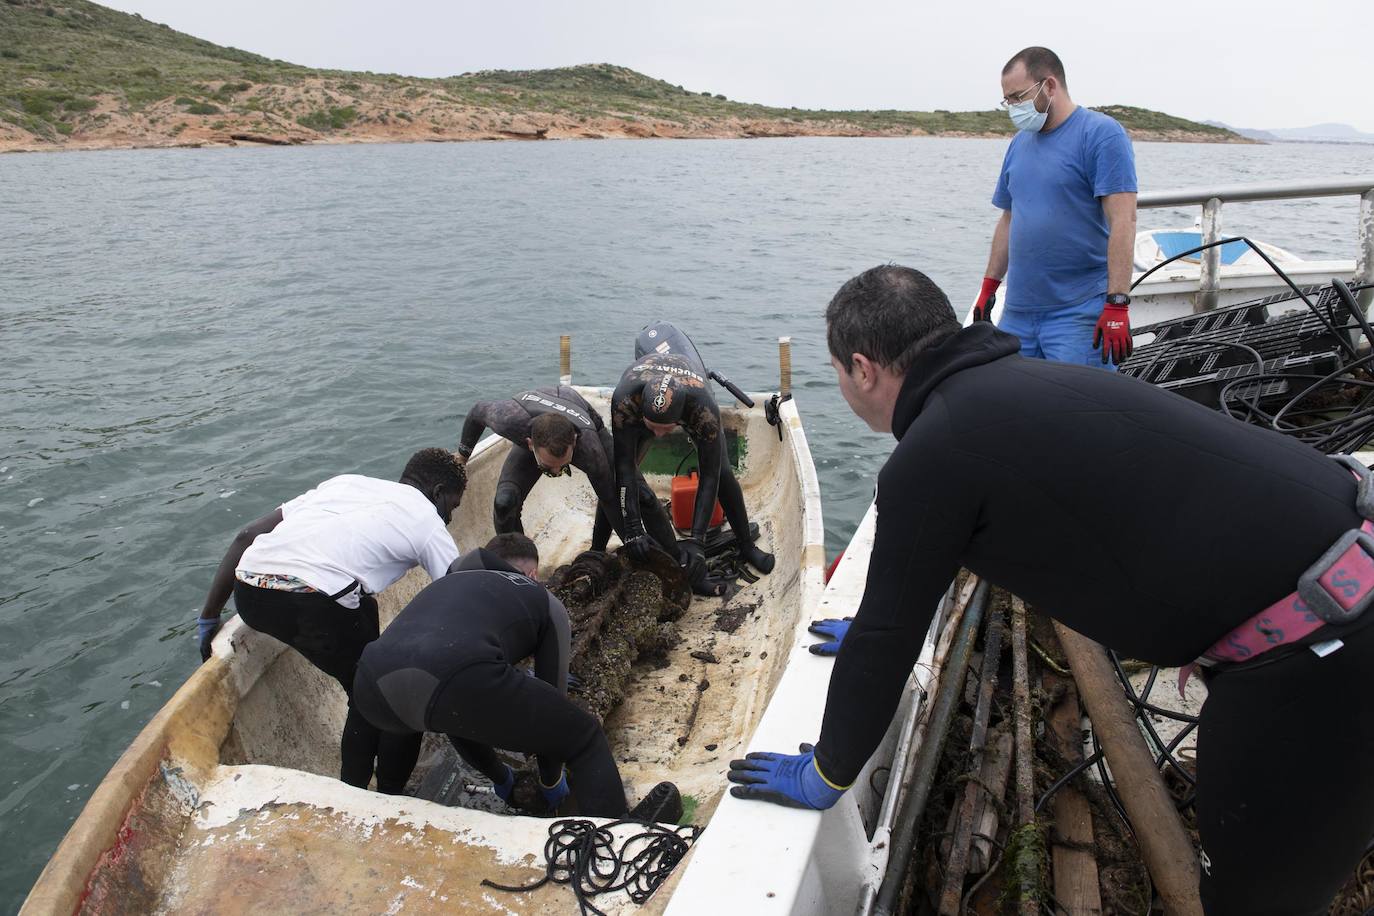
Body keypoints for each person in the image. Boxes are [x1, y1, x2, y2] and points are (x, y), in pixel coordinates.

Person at [727, 265, 1374, 915]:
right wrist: (892, 617)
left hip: (1323, 650)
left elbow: (882, 641)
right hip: (1344, 556)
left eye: (837, 372)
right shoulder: (1022, 386)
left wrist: (829, 771)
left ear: (863, 368)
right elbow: (941, 560)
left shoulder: (934, 453)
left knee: (1252, 899)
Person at [352, 533, 679, 821]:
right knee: (584, 737)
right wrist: (551, 780)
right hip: (456, 677)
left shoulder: (443, 586)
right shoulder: (543, 601)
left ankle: (383, 811)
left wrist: (501, 777)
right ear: (533, 575)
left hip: (370, 682)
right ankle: (622, 840)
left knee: (402, 760)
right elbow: (553, 707)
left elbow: (453, 714)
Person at [196, 447, 465, 794]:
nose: (451, 519)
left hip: (250, 590)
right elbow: (460, 594)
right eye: (452, 508)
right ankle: (373, 794)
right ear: (438, 493)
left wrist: (208, 617)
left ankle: (360, 776)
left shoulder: (347, 483)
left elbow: (245, 537)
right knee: (389, 698)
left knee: (364, 619)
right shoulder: (428, 522)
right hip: (311, 604)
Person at [972, 46, 1138, 368]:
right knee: (1018, 410)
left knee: (1080, 412)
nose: (1013, 108)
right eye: (1008, 100)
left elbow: (1124, 220)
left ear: (1050, 86)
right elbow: (1009, 218)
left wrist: (1117, 304)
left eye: (1018, 97)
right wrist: (988, 286)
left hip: (1077, 313)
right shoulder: (1019, 143)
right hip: (1018, 313)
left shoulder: (1101, 134)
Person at [610, 323, 774, 595]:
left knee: (721, 472)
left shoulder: (703, 409)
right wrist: (633, 529)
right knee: (620, 472)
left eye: (666, 429)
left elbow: (709, 477)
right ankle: (602, 544)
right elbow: (624, 469)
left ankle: (746, 545)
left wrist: (697, 542)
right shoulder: (625, 401)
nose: (661, 437)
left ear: (682, 418)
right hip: (643, 403)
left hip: (689, 394)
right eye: (654, 428)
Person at [456, 386, 666, 553]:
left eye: (563, 466)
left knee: (621, 488)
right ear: (529, 445)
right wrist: (462, 456)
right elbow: (477, 411)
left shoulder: (588, 447)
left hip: (583, 417)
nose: (556, 473)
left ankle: (597, 551)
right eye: (548, 468)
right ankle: (517, 566)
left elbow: (609, 499)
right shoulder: (509, 420)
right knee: (504, 503)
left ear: (574, 443)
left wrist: (631, 537)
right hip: (536, 423)